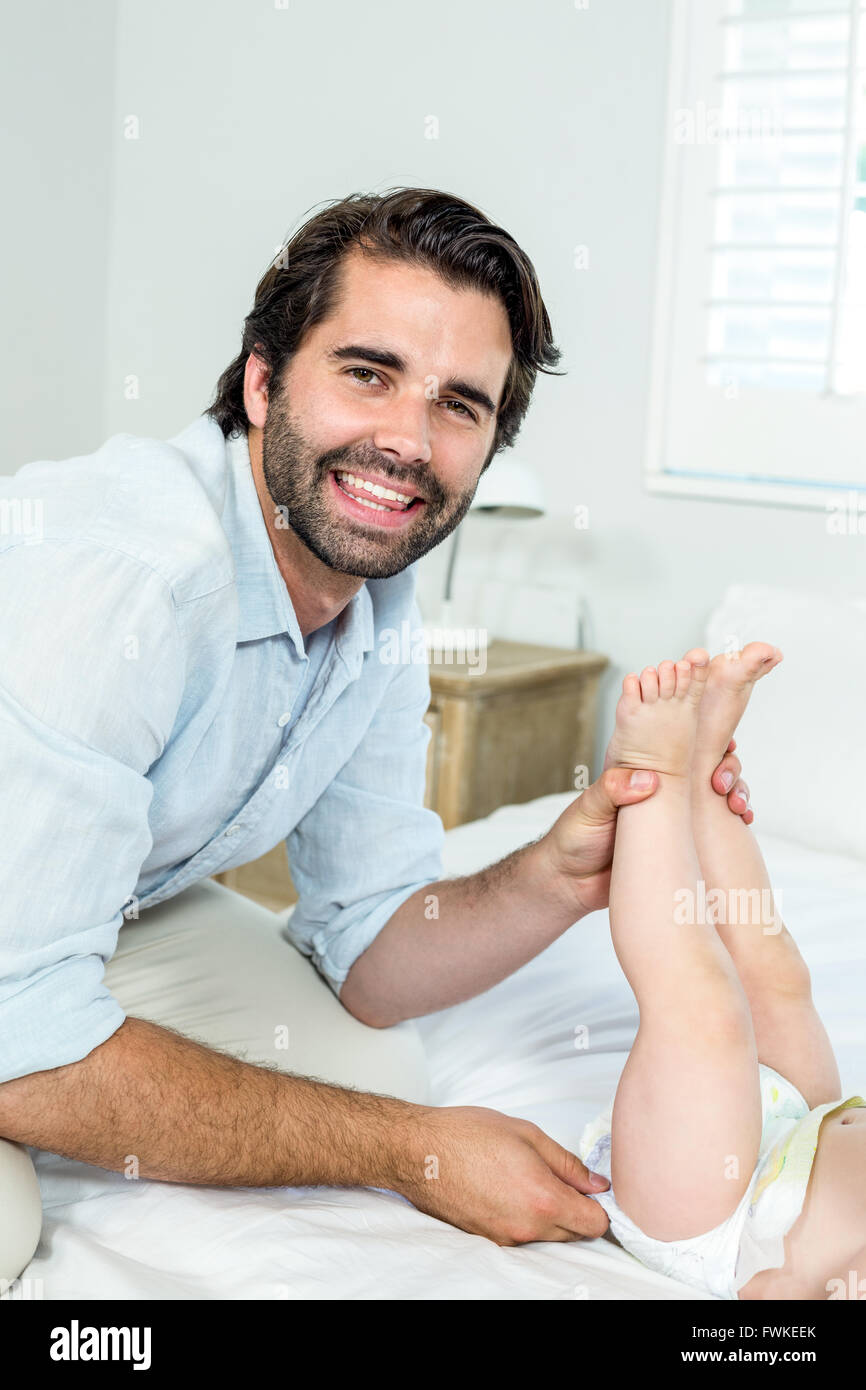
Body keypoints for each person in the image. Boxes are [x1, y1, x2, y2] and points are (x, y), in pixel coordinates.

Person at [0, 187, 753, 1283]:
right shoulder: (125, 585)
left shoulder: (375, 604)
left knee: (375, 1063)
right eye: (367, 372)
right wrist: (417, 1157)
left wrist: (556, 871)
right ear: (263, 383)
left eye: (460, 404)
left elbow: (369, 954)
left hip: (97, 900)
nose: (407, 440)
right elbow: (16, 1044)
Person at [577, 642, 865, 1300]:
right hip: (806, 1123)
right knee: (777, 972)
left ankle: (651, 776)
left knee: (706, 1011)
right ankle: (704, 763)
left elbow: (777, 1300)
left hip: (717, 1214)